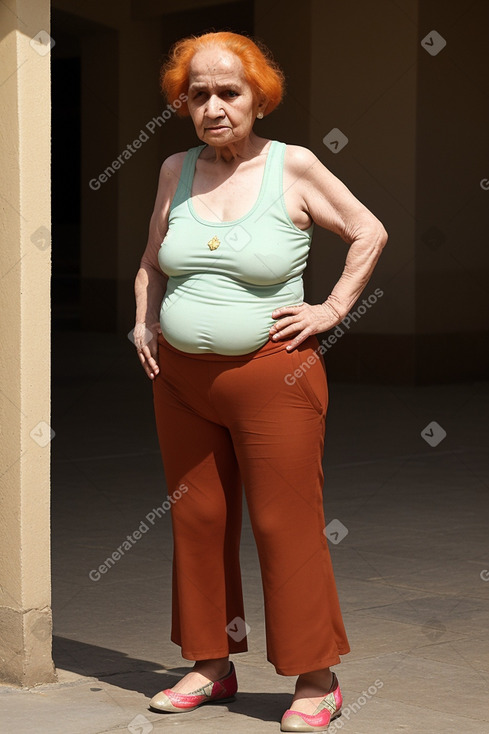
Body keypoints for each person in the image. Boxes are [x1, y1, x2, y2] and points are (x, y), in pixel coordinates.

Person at [133, 30, 387, 733]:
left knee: (284, 523)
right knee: (198, 518)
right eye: (198, 95)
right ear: (183, 105)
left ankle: (316, 677)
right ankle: (210, 665)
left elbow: (368, 231)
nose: (213, 106)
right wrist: (142, 319)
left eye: (228, 92)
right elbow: (153, 261)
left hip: (273, 377)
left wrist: (331, 308)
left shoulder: (293, 166)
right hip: (180, 380)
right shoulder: (174, 170)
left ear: (258, 98)